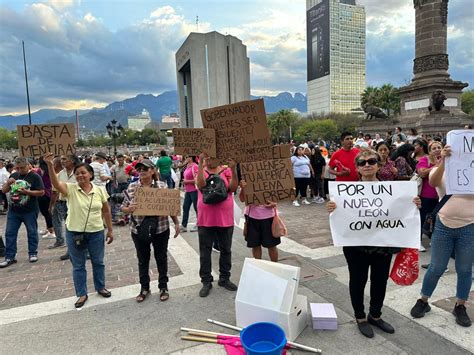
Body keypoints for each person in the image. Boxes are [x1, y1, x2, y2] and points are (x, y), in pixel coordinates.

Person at [327, 149, 421, 338]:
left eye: (371, 161)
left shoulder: (393, 191)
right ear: (357, 168)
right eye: (362, 163)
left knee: (380, 281)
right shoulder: (346, 193)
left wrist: (414, 204)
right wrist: (332, 208)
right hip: (355, 247)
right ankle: (360, 317)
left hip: (383, 245)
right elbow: (341, 217)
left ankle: (376, 315)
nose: (367, 165)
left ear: (378, 165)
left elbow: (402, 212)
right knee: (358, 280)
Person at [410, 145, 473, 327]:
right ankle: (423, 300)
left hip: (470, 226)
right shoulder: (440, 169)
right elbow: (433, 182)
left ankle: (460, 305)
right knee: (436, 267)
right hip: (444, 225)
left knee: (465, 269)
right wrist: (444, 162)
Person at [44, 153, 113, 308]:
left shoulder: (100, 190)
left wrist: (110, 230)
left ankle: (100, 287)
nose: (80, 175)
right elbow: (56, 183)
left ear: (91, 175)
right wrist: (49, 165)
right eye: (77, 174)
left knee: (98, 262)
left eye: (83, 173)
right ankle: (81, 293)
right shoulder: (71, 189)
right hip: (75, 232)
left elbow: (106, 211)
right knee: (78, 265)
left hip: (96, 232)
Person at [121, 159, 180, 303]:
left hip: (161, 228)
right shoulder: (132, 187)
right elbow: (123, 207)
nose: (142, 172)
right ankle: (144, 287)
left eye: (145, 169)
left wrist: (176, 223)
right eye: (139, 169)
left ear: (153, 171)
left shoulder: (162, 186)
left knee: (161, 257)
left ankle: (163, 286)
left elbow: (170, 206)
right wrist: (129, 209)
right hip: (139, 229)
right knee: (143, 259)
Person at [195, 154, 238, 297]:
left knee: (226, 249)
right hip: (205, 218)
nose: (208, 160)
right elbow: (200, 185)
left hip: (224, 217)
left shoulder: (226, 170)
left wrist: (234, 169)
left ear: (218, 158)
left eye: (210, 157)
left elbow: (232, 188)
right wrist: (201, 164)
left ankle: (224, 278)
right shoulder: (200, 170)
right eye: (205, 158)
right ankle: (206, 281)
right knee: (205, 250)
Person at [0, 157, 45, 267]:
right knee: (10, 233)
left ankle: (33, 253)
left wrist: (27, 192)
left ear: (28, 165)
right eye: (18, 168)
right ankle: (10, 256)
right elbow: (4, 190)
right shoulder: (14, 175)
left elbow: (41, 192)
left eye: (22, 168)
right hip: (14, 210)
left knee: (32, 231)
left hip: (29, 210)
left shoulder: (35, 176)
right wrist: (8, 183)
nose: (20, 170)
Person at [239, 180, 280, 262]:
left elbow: (278, 195)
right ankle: (258, 267)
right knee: (255, 245)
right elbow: (242, 199)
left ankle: (275, 266)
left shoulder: (270, 178)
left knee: (271, 245)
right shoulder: (248, 179)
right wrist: (243, 188)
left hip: (269, 217)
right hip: (252, 217)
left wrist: (274, 203)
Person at [50, 155, 79, 253]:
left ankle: (84, 249)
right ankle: (71, 250)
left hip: (78, 203)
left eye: (64, 159)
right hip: (64, 204)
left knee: (80, 226)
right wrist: (52, 205)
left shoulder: (79, 172)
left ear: (72, 161)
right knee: (69, 227)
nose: (62, 161)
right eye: (61, 159)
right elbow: (55, 191)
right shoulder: (59, 175)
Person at [416, 141, 442, 251]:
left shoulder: (446, 160)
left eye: (439, 147)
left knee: (438, 220)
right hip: (426, 195)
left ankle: (434, 240)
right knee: (422, 219)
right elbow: (421, 172)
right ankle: (418, 241)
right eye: (434, 148)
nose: (437, 149)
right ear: (429, 151)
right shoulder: (424, 160)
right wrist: (437, 166)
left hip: (441, 196)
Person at [180, 156, 199, 232]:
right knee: (185, 207)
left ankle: (199, 224)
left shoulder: (195, 166)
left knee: (196, 208)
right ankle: (184, 225)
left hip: (194, 190)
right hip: (187, 191)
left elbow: (197, 180)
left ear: (191, 157)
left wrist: (186, 182)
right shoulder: (187, 166)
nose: (186, 158)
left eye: (187, 157)